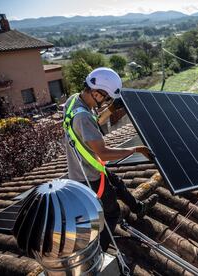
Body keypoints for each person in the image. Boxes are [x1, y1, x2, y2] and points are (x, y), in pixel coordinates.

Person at [63, 67, 158, 251]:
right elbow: (104, 153)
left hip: (82, 166)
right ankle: (99, 250)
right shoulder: (83, 117)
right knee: (112, 213)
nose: (106, 101)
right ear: (97, 93)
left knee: (117, 182)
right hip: (89, 177)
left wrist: (110, 109)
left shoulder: (74, 100)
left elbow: (91, 122)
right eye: (106, 98)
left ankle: (138, 209)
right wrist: (136, 149)